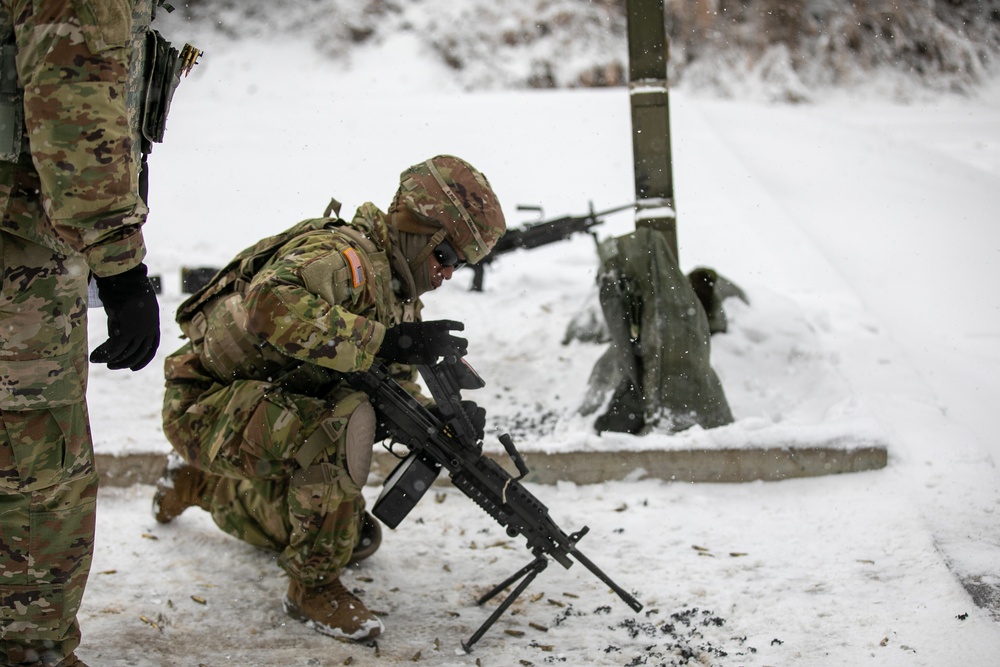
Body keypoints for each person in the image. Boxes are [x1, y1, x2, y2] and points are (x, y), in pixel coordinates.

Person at [155, 155, 506, 641]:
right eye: (444, 257)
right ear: (419, 230)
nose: (447, 273)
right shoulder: (343, 258)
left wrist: (437, 420)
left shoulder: (396, 289)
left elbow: (393, 385)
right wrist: (382, 341)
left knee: (352, 538)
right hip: (205, 404)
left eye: (459, 266)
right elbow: (267, 304)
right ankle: (313, 589)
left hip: (264, 404)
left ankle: (203, 485)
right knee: (342, 430)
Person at [0, 1, 173, 665]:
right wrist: (122, 268)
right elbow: (73, 105)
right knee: (40, 465)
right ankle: (28, 649)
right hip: (20, 245)